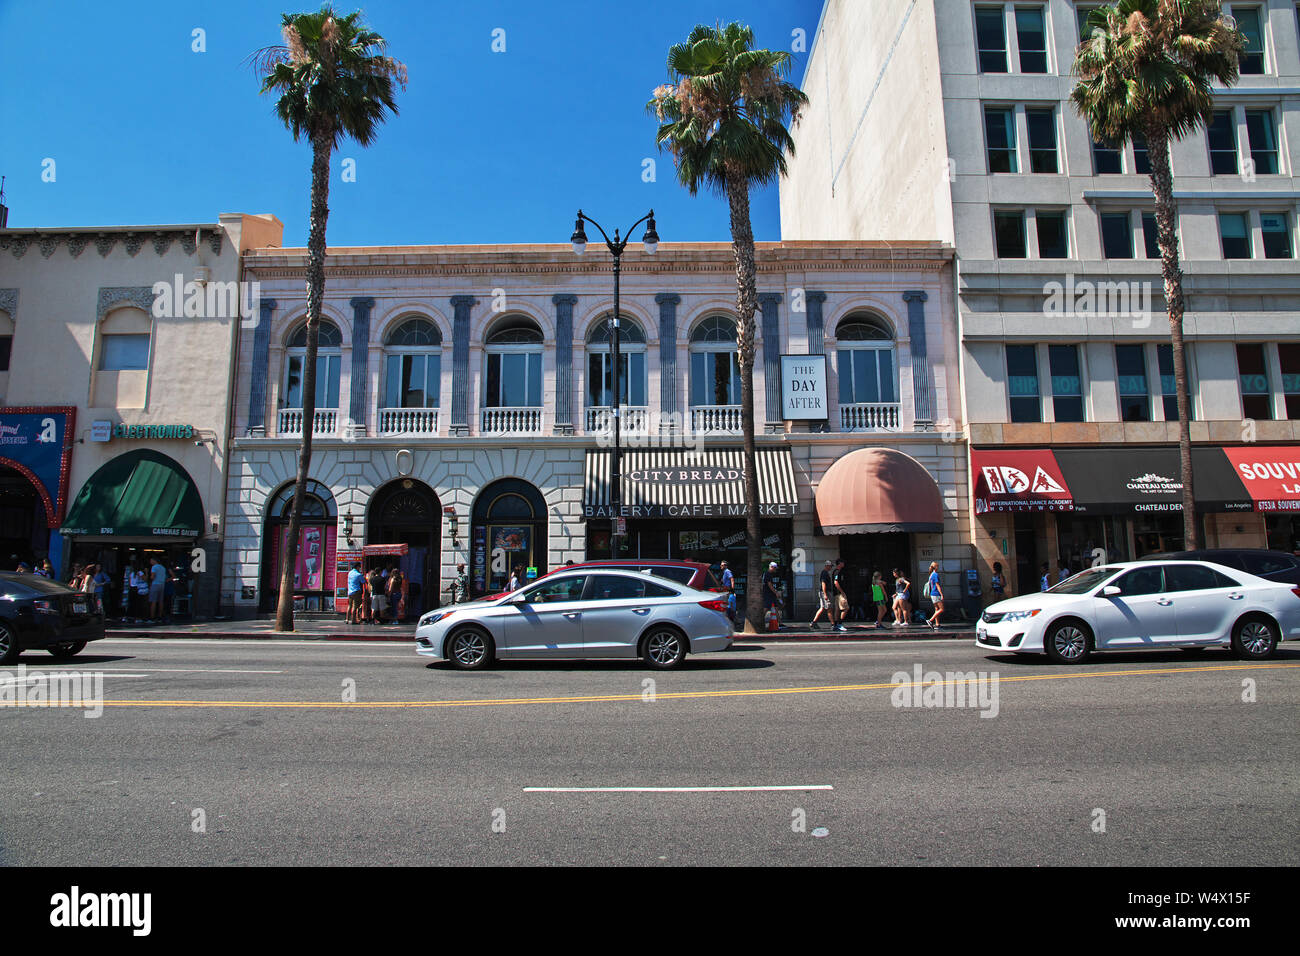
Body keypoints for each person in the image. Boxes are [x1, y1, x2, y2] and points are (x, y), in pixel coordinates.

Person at [811, 560, 835, 630]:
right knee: (829, 608)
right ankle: (833, 624)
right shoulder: (824, 573)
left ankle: (814, 622)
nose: (831, 568)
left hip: (824, 592)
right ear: (827, 566)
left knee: (823, 608)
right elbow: (823, 583)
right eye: (830, 566)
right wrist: (825, 594)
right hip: (825, 592)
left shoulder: (825, 573)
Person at [761, 561, 783, 626]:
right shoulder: (767, 574)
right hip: (768, 593)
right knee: (766, 607)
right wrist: (776, 592)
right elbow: (769, 585)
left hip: (770, 594)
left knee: (776, 607)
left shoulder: (768, 574)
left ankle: (780, 622)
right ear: (772, 567)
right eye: (775, 568)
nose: (776, 570)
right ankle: (760, 620)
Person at [925, 561, 944, 630]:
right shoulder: (935, 574)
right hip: (936, 593)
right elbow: (937, 585)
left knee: (937, 609)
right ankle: (930, 620)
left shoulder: (931, 575)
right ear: (935, 567)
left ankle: (937, 623)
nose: (938, 567)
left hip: (932, 594)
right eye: (937, 566)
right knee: (942, 609)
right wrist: (941, 594)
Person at [832, 559, 849, 632]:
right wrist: (842, 592)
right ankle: (840, 623)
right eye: (842, 562)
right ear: (839, 563)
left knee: (837, 609)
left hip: (837, 593)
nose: (843, 563)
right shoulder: (837, 572)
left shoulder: (837, 572)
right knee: (846, 608)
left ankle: (836, 624)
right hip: (839, 593)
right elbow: (836, 582)